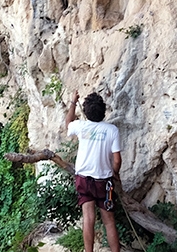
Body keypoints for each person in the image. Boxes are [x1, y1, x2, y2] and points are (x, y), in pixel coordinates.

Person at [64, 92, 122, 252]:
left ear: (86, 112)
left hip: (83, 180)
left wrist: (73, 102)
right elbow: (117, 160)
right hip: (104, 182)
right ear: (103, 111)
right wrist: (115, 174)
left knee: (88, 218)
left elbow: (68, 122)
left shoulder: (81, 126)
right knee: (109, 221)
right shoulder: (112, 130)